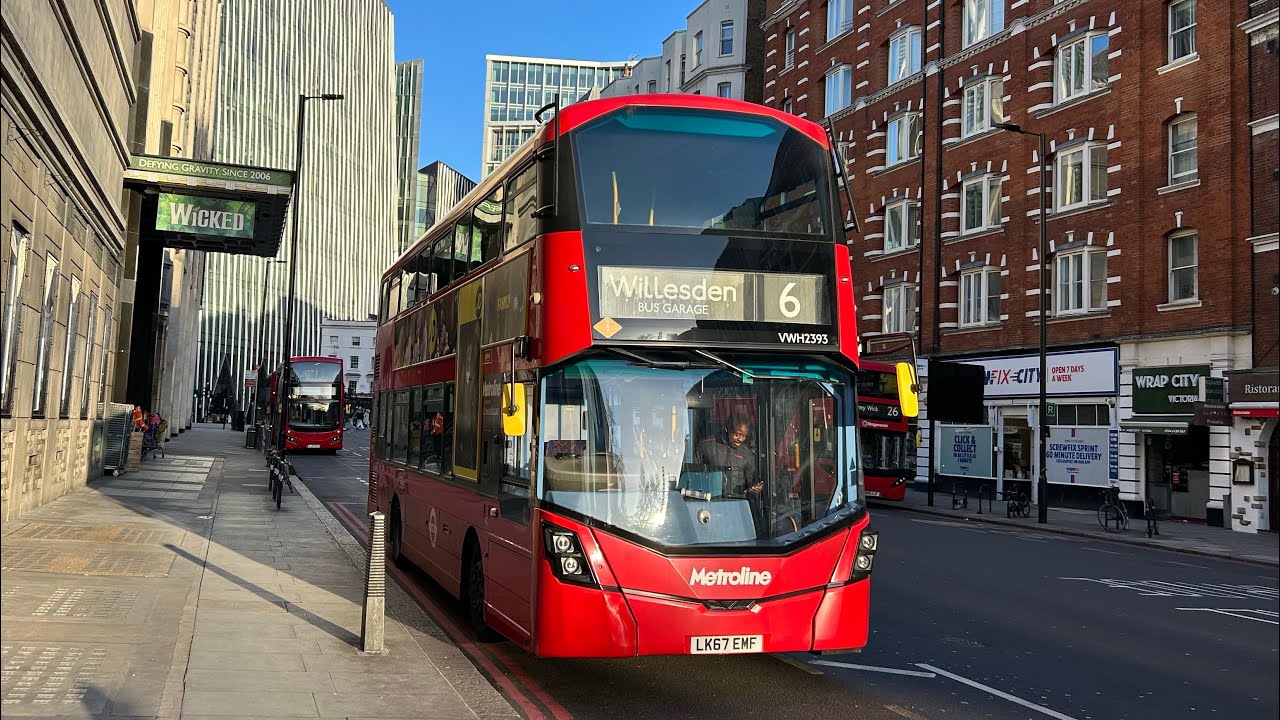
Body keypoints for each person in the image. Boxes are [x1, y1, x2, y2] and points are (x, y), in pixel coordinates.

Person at [693, 412, 762, 497]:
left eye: (744, 436)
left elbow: (751, 479)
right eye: (738, 435)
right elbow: (693, 474)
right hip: (709, 500)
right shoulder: (706, 446)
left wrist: (755, 487)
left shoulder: (747, 454)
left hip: (737, 503)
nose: (740, 439)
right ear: (727, 429)